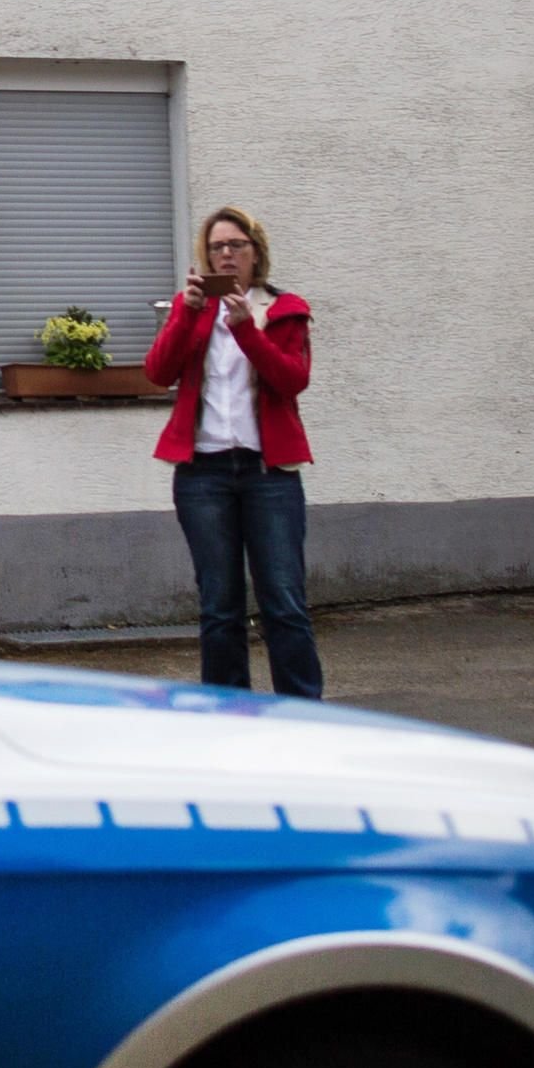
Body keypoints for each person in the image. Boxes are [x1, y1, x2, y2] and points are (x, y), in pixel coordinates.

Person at [139, 205, 322, 698]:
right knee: (219, 608)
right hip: (203, 473)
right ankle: (226, 715)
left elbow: (292, 380)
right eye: (216, 247)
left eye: (235, 245)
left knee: (284, 602)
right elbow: (158, 373)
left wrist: (245, 328)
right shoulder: (192, 308)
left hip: (268, 474)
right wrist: (187, 312)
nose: (225, 255)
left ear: (255, 252)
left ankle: (302, 714)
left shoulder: (282, 309)